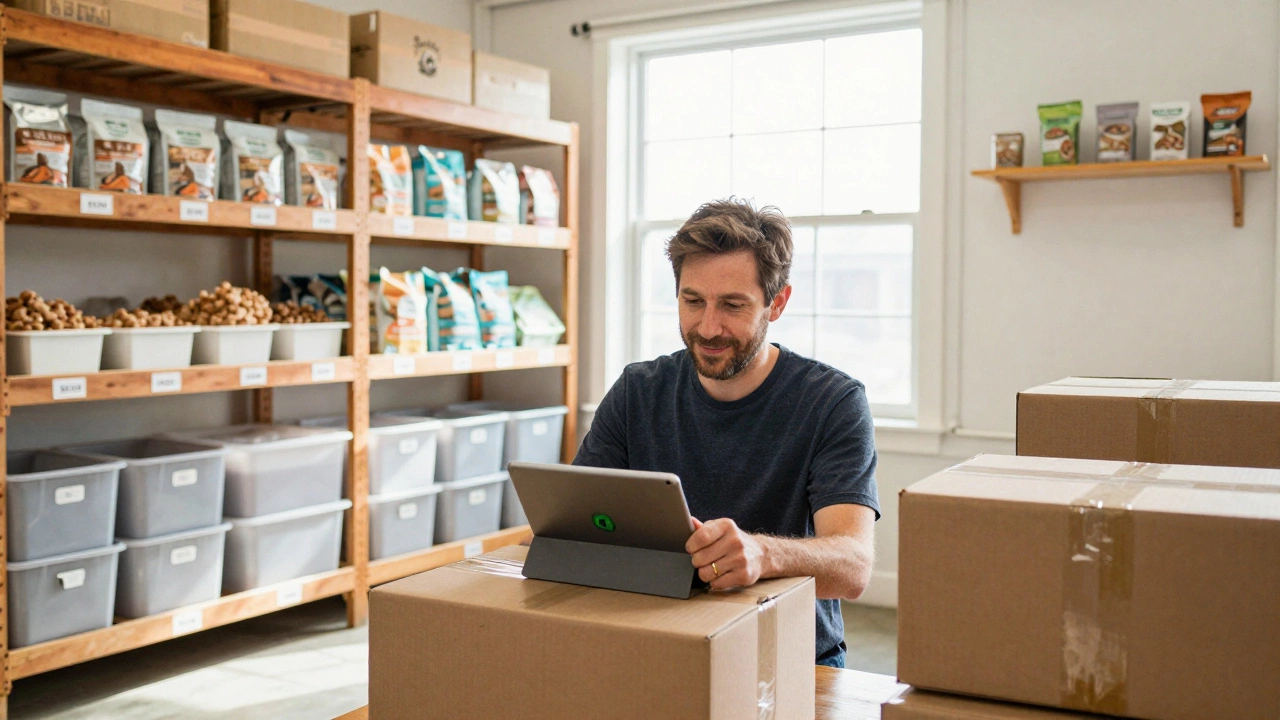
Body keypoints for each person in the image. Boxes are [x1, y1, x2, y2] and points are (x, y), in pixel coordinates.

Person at [574, 197, 879, 668]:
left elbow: (854, 567)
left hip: (788, 657)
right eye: (692, 301)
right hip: (656, 641)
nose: (708, 326)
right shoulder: (637, 391)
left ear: (777, 303)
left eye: (733, 305)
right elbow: (576, 530)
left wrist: (763, 554)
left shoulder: (833, 402)